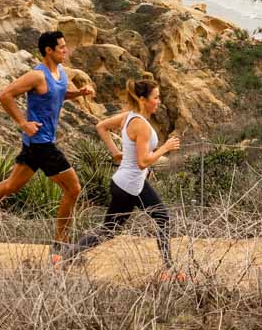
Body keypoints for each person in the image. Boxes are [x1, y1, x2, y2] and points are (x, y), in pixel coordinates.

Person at [0, 30, 95, 262]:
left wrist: (78, 93)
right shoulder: (37, 75)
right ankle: (60, 245)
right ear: (48, 50)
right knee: (73, 189)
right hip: (41, 143)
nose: (66, 50)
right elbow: (5, 95)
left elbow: (56, 95)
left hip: (38, 144)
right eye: (61, 47)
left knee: (10, 186)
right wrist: (23, 123)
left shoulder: (61, 73)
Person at [60, 75, 183, 279]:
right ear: (143, 100)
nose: (159, 102)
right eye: (156, 98)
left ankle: (66, 256)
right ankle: (169, 269)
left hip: (126, 182)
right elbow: (143, 162)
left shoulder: (128, 117)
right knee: (161, 217)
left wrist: (115, 152)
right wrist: (165, 148)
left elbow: (101, 126)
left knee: (108, 230)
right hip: (130, 185)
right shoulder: (141, 124)